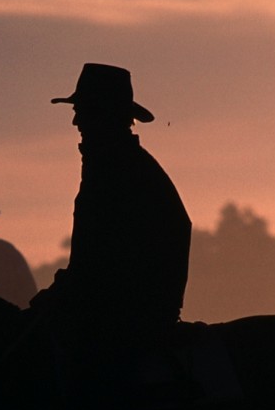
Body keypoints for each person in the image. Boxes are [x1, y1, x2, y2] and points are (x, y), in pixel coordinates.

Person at [35, 62, 192, 362]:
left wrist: (62, 294)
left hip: (127, 315)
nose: (76, 121)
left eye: (83, 111)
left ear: (104, 114)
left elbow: (100, 260)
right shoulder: (118, 165)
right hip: (126, 306)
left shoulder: (120, 170)